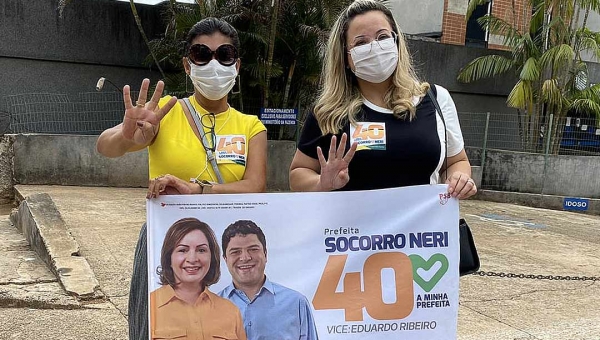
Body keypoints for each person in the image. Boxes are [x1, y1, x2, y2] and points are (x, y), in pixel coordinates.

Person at [95, 17, 267, 340]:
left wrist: (198, 191)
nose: (214, 64)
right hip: (164, 243)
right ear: (188, 65)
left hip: (221, 248)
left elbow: (255, 186)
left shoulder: (251, 127)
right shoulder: (162, 112)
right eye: (202, 54)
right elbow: (106, 146)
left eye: (224, 54)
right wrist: (126, 133)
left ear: (237, 64)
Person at [289, 0, 477, 200]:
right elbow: (298, 174)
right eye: (361, 42)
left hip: (421, 230)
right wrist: (322, 183)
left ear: (396, 41)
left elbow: (456, 162)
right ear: (345, 56)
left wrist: (459, 178)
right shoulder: (328, 113)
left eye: (382, 37)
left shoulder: (437, 99)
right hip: (351, 229)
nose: (374, 47)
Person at [218, 220, 318, 340]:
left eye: (253, 249)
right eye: (236, 252)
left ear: (265, 254)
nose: (245, 257)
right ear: (225, 259)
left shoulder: (296, 303)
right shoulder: (212, 308)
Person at [150, 218, 246, 340]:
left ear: (211, 257)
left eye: (201, 250)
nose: (192, 258)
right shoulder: (150, 306)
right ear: (169, 257)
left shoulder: (231, 311)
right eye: (183, 250)